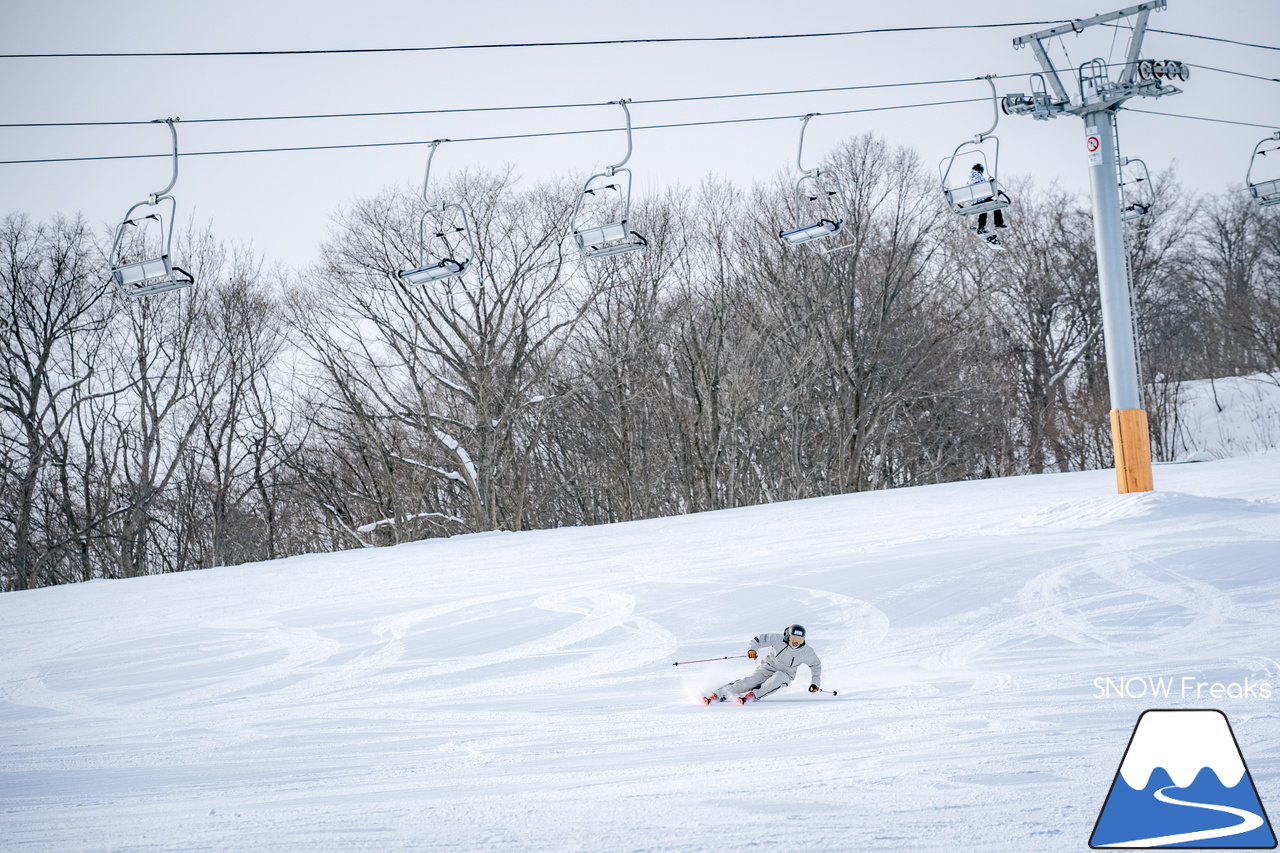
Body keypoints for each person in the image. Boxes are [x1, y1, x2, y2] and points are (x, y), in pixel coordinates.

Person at [703, 624, 823, 705]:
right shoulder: (777, 638)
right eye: (793, 639)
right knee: (749, 683)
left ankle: (752, 695)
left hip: (786, 674)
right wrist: (752, 650)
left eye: (799, 640)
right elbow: (757, 640)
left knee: (779, 677)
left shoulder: (807, 651)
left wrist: (815, 683)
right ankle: (716, 695)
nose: (796, 643)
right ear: (787, 636)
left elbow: (816, 666)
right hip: (767, 668)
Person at [967, 163, 1010, 239]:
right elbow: (986, 190)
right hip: (981, 199)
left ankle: (981, 227)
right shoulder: (979, 177)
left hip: (973, 202)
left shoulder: (969, 180)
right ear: (980, 171)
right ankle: (998, 223)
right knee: (996, 202)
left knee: (984, 207)